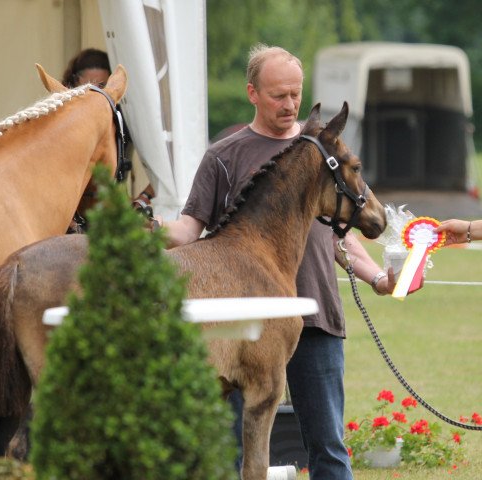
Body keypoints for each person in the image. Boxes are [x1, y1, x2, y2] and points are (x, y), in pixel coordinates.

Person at [158, 44, 412, 479]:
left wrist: (376, 278)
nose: (289, 104)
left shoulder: (320, 153)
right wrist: (134, 230)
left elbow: (340, 236)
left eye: (295, 94)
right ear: (252, 93)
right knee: (227, 450)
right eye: (278, 95)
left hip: (313, 313)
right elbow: (188, 230)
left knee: (328, 446)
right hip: (241, 322)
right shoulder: (225, 154)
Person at [61, 48, 154, 231]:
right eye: (89, 86)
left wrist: (144, 197)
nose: (96, 93)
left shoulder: (123, 120)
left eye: (102, 86)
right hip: (69, 214)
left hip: (113, 213)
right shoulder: (63, 118)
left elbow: (167, 165)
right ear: (74, 81)